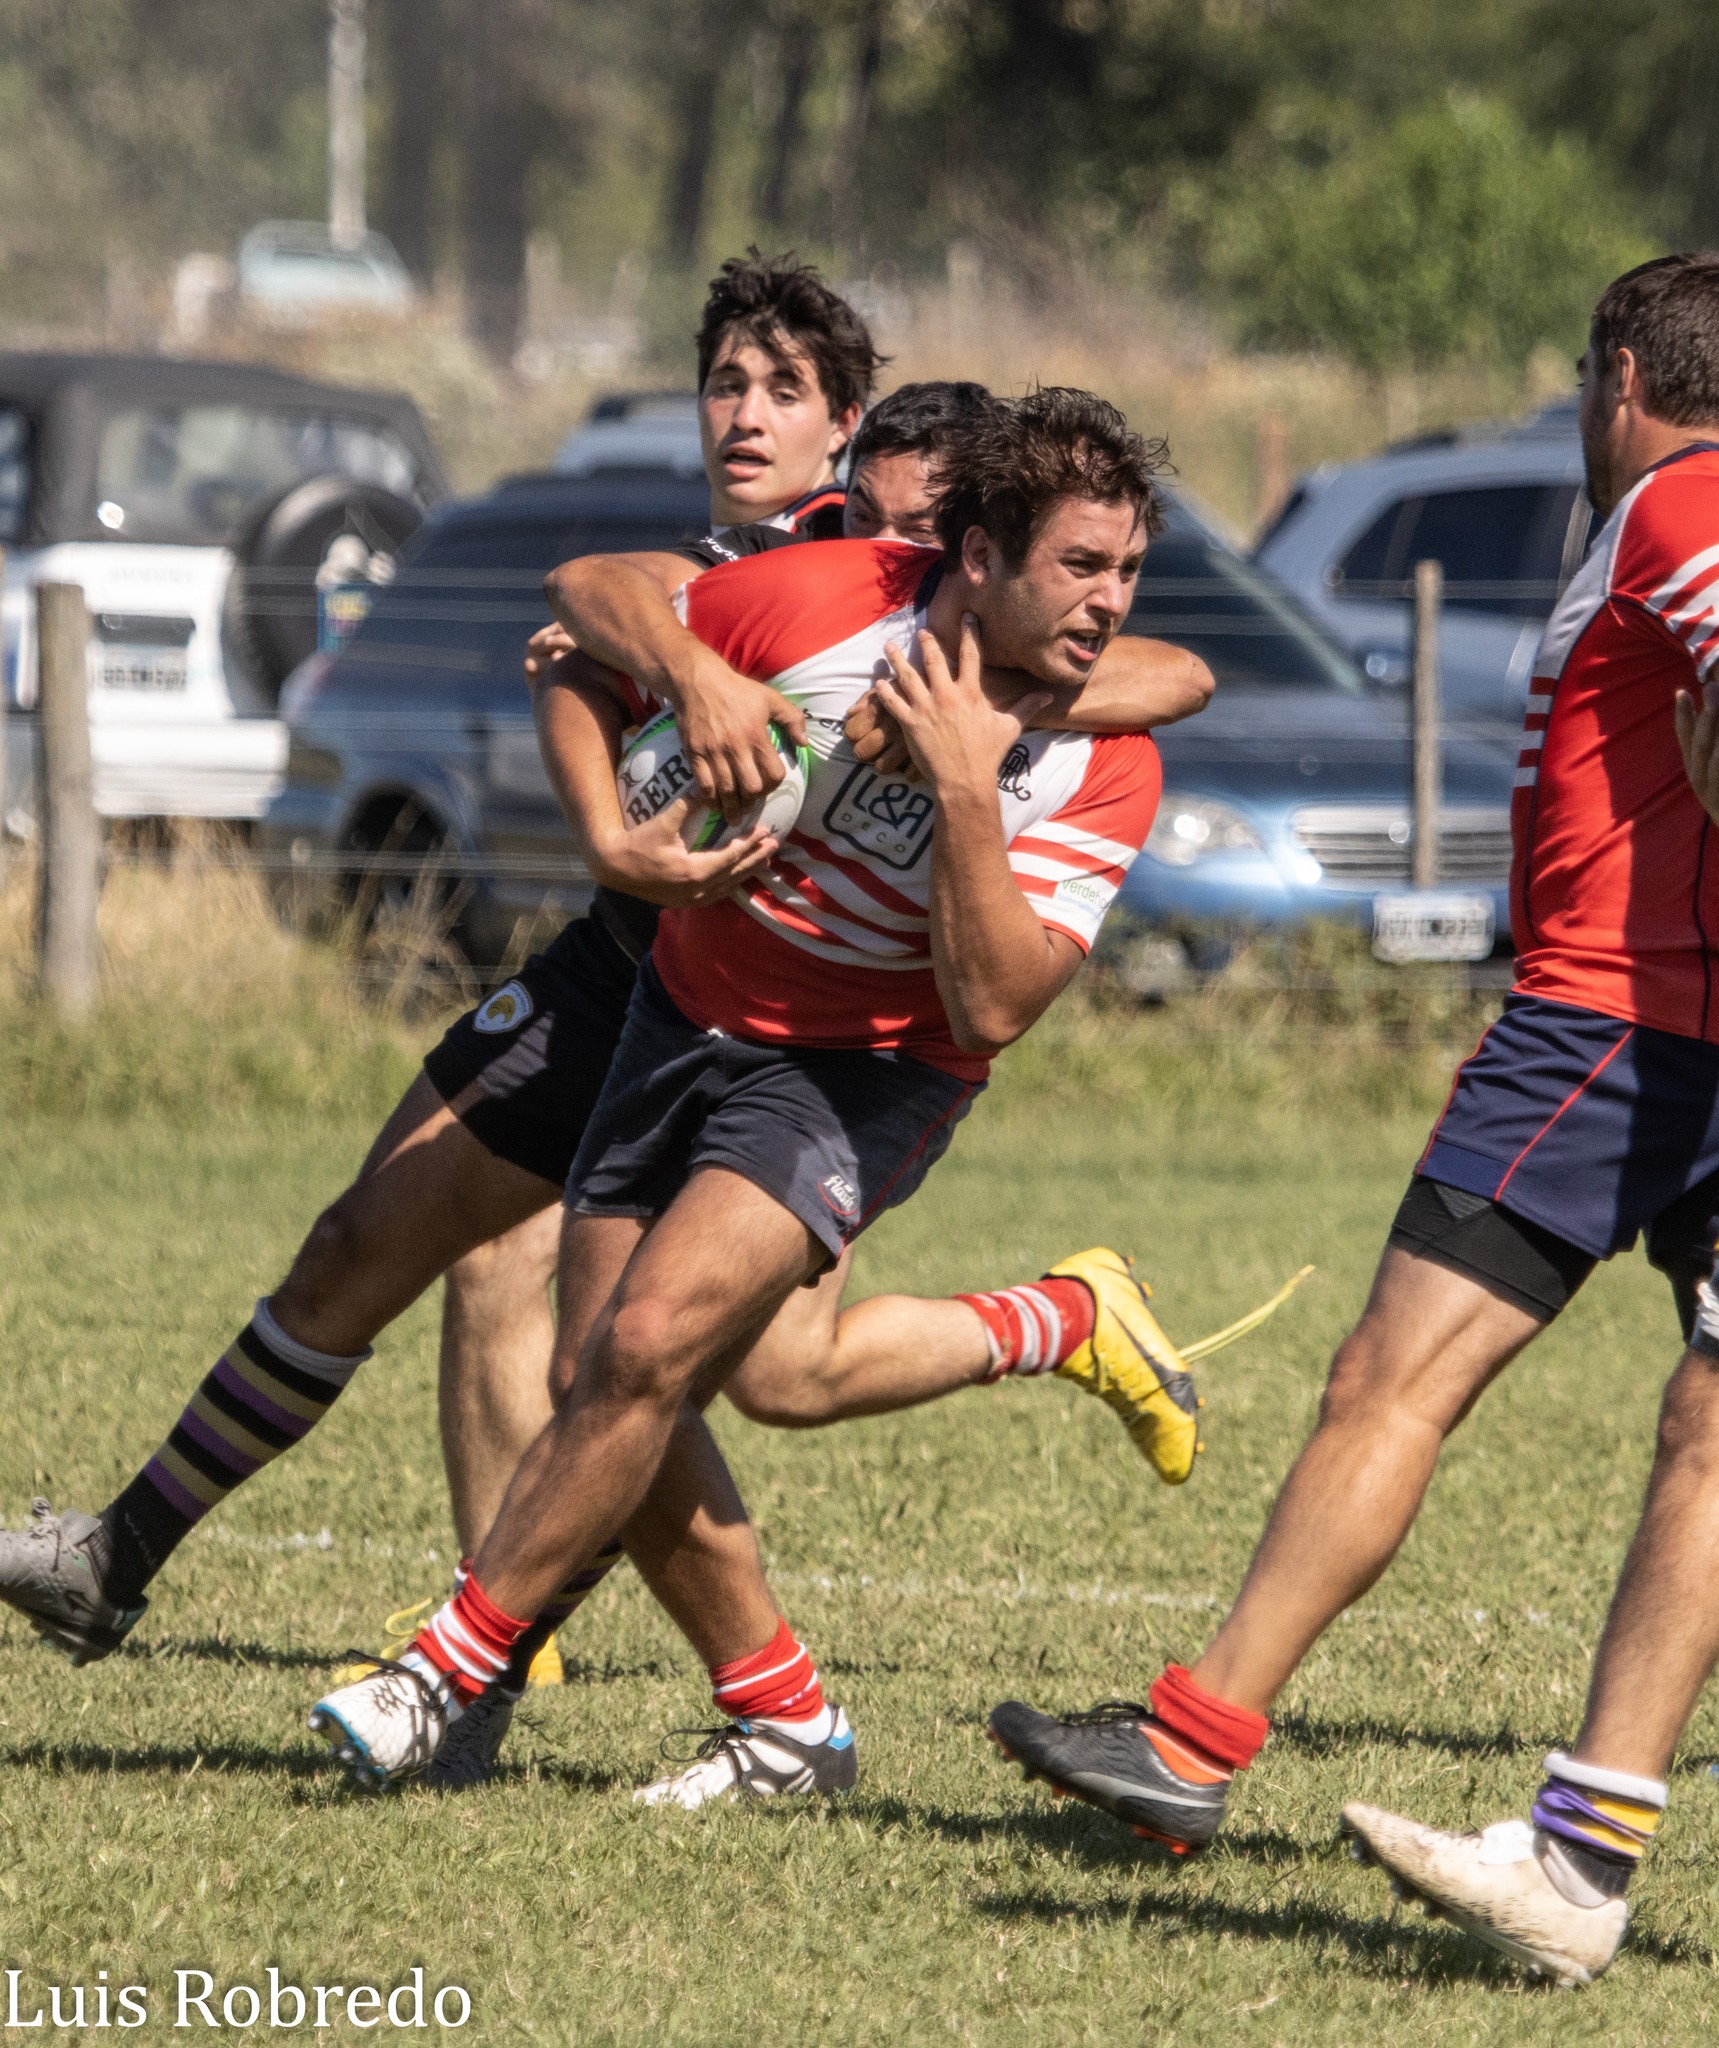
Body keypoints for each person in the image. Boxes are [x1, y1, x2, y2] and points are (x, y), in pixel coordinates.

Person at [0, 298, 1208, 1714]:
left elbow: (1168, 671)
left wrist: (979, 718)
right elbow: (583, 623)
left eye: (782, 388)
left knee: (745, 1368)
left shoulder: (932, 584)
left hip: (806, 1029)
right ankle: (153, 1562)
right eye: (723, 382)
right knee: (391, 1253)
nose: (743, 414)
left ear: (854, 432)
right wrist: (632, 801)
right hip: (626, 971)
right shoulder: (751, 574)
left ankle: (535, 1652)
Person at [987, 253, 1719, 1990]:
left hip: (1620, 1030)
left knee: (1394, 1378)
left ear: (1619, 377)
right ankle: (1569, 1852)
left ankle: (1198, 1747)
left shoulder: (1683, 497)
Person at [304, 388, 1178, 1807]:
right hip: (684, 1011)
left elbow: (997, 1007)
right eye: (1082, 565)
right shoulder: (831, 599)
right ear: (978, 557)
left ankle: (437, 1676)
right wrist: (657, 754)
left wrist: (966, 787)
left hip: (871, 1069)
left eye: (1130, 571)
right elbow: (582, 611)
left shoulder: (1105, 760)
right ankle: (786, 1725)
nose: (1111, 603)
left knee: (650, 1343)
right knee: (604, 1380)